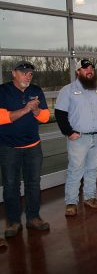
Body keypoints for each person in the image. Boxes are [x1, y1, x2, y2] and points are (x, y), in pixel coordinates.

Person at [55, 59, 97, 216]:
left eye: (91, 68)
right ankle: (71, 202)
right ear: (78, 71)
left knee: (93, 169)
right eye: (85, 68)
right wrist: (69, 132)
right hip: (79, 138)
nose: (89, 71)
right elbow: (60, 114)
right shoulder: (68, 90)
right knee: (75, 170)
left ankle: (90, 197)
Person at [0, 61, 51, 238]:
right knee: (11, 186)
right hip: (9, 148)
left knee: (33, 184)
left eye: (30, 73)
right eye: (23, 72)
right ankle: (13, 222)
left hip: (33, 147)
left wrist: (36, 110)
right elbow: (1, 118)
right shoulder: (3, 90)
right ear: (14, 73)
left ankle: (33, 218)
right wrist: (25, 109)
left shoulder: (36, 91)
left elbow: (45, 117)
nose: (28, 75)